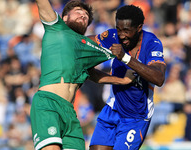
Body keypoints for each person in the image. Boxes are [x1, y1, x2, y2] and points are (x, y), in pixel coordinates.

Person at [30, 1, 135, 150]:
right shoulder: (56, 27)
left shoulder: (85, 47)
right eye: (79, 11)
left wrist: (121, 80)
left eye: (86, 15)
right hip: (48, 103)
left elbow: (92, 74)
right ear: (64, 17)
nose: (83, 15)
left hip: (70, 111)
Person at [89, 5, 166, 150]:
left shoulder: (152, 44)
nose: (121, 35)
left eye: (126, 31)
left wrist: (125, 58)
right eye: (118, 29)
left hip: (135, 116)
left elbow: (159, 78)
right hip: (112, 108)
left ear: (139, 28)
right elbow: (86, 42)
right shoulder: (112, 37)